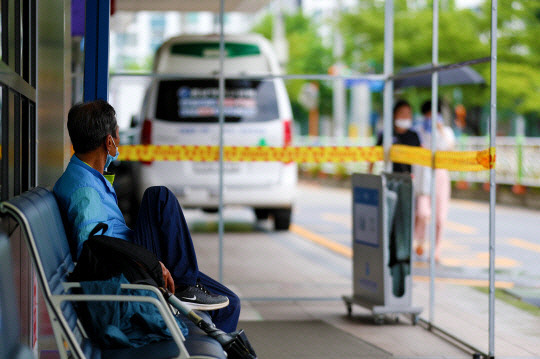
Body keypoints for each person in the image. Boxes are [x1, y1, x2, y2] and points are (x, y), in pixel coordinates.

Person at [53, 100, 240, 333]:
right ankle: (185, 286)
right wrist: (148, 261)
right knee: (158, 197)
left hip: (135, 260)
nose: (118, 142)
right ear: (108, 142)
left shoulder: (87, 177)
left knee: (229, 303)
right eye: (117, 136)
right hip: (130, 271)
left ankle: (186, 285)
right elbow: (92, 250)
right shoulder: (85, 191)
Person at [413, 100, 456, 262]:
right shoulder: (419, 131)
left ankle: (436, 249)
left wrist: (440, 131)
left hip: (440, 175)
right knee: (423, 212)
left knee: (439, 217)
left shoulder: (446, 131)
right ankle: (420, 241)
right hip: (423, 173)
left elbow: (450, 147)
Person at [369, 99, 421, 174]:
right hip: (389, 175)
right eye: (402, 113)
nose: (405, 116)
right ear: (394, 114)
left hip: (409, 177)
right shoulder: (386, 134)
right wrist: (370, 173)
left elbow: (421, 157)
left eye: (408, 113)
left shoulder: (414, 135)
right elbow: (374, 155)